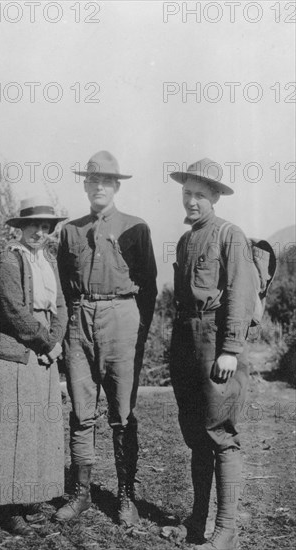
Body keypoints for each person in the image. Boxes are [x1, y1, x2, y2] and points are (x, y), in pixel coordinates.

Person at [55, 150, 157, 526]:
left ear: (116, 186)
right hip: (79, 318)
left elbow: (149, 287)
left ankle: (125, 496)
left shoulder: (136, 227)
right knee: (81, 411)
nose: (99, 186)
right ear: (85, 185)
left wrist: (138, 332)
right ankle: (80, 494)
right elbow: (64, 286)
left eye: (106, 181)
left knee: (123, 413)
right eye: (92, 181)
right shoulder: (70, 230)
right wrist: (68, 328)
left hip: (122, 317)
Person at [169, 158, 257, 550]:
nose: (191, 201)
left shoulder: (229, 235)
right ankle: (198, 520)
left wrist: (231, 350)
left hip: (215, 339)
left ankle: (226, 529)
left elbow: (241, 293)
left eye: (200, 195)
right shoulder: (187, 240)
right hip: (186, 340)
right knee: (196, 434)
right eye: (187, 193)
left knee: (221, 435)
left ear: (215, 197)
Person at [0, 196, 68, 536]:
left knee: (35, 431)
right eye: (34, 225)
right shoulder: (8, 259)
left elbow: (60, 305)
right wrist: (48, 344)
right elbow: (13, 311)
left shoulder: (47, 261)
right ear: (20, 227)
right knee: (13, 432)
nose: (40, 231)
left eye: (45, 226)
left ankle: (28, 499)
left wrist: (54, 341)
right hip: (15, 351)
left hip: (41, 352)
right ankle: (5, 508)